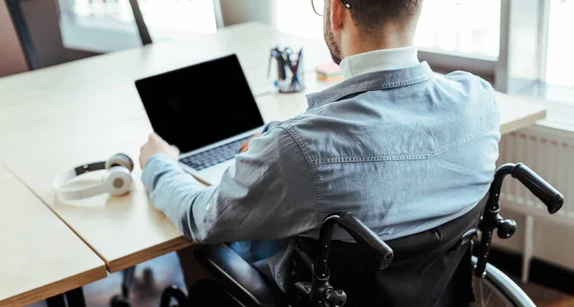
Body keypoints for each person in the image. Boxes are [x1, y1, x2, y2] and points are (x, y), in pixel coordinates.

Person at [139, 0, 500, 291]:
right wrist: (272, 150)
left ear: (337, 11)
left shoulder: (300, 149)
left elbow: (203, 219)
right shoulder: (478, 101)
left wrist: (159, 164)